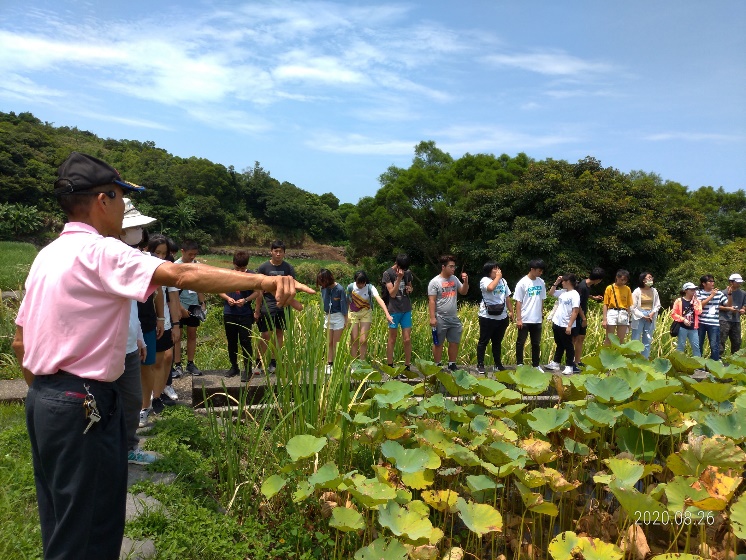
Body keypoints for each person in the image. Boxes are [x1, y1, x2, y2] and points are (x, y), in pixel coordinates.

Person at [12, 151, 313, 560]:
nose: (124, 209)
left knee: (63, 524)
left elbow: (20, 341)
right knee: (89, 531)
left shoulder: (47, 255)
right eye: (121, 198)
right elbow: (183, 275)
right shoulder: (101, 251)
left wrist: (48, 393)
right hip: (82, 402)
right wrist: (265, 279)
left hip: (46, 401)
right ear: (104, 199)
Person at [147, 235, 181, 409]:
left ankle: (157, 396)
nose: (160, 257)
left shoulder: (168, 270)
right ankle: (148, 397)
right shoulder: (143, 266)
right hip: (145, 321)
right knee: (149, 362)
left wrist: (176, 325)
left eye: (164, 253)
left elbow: (174, 298)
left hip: (165, 321)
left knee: (165, 358)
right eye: (156, 252)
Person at [254, 240, 296, 374]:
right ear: (271, 252)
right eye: (275, 251)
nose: (278, 254)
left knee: (279, 333)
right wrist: (257, 309)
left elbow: (293, 286)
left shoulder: (288, 268)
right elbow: (258, 290)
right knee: (266, 334)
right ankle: (258, 363)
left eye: (281, 251)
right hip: (268, 305)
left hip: (283, 306)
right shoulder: (263, 268)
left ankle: (274, 362)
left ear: (284, 253)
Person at [219, 250, 259, 382]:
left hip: (245, 314)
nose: (240, 271)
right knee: (232, 342)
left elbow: (257, 292)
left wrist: (246, 300)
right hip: (229, 313)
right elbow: (219, 290)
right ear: (233, 264)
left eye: (242, 268)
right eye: (237, 268)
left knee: (246, 342)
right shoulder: (227, 274)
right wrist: (227, 298)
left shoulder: (252, 275)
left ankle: (248, 369)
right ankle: (234, 366)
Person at [428, 255, 469, 371]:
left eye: (454, 266)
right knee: (438, 343)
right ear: (443, 267)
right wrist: (432, 318)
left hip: (454, 317)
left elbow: (463, 291)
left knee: (454, 341)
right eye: (450, 266)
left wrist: (465, 282)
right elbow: (431, 301)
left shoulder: (454, 279)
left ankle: (452, 363)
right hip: (440, 317)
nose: (453, 269)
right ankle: (437, 364)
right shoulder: (435, 282)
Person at [346, 270, 393, 362]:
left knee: (363, 339)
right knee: (354, 338)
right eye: (358, 283)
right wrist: (346, 315)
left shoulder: (370, 288)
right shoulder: (350, 287)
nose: (360, 285)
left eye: (362, 283)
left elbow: (379, 299)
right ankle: (353, 363)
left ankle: (362, 361)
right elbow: (347, 300)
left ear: (365, 281)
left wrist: (387, 314)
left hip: (366, 313)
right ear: (355, 281)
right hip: (353, 313)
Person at [173, 240, 205, 376]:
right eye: (190, 254)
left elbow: (199, 286)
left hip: (193, 305)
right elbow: (172, 291)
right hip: (178, 304)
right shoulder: (175, 266)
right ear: (182, 251)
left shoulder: (197, 266)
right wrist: (180, 308)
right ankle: (177, 364)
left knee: (192, 334)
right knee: (177, 336)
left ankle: (190, 364)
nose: (192, 257)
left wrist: (202, 303)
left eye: (195, 254)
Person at [476, 261, 512, 374]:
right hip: (487, 316)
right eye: (494, 269)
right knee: (483, 341)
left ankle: (498, 364)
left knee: (497, 342)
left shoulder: (503, 281)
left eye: (498, 269)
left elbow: (507, 297)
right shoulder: (484, 280)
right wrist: (498, 277)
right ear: (489, 271)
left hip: (502, 316)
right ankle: (480, 364)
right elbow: (491, 288)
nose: (498, 271)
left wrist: (511, 311)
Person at [513, 259, 547, 371]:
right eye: (539, 270)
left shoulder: (541, 282)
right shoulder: (522, 283)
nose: (540, 273)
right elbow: (518, 301)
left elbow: (542, 299)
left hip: (537, 319)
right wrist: (519, 318)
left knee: (536, 343)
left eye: (542, 271)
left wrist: (541, 314)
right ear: (532, 269)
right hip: (525, 318)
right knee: (521, 342)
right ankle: (519, 364)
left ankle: (536, 365)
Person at [383, 254, 414, 369]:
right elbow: (392, 293)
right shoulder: (387, 274)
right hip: (394, 310)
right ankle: (390, 364)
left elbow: (410, 286)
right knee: (392, 338)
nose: (403, 270)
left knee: (407, 339)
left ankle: (407, 364)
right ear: (397, 263)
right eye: (402, 268)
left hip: (406, 308)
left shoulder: (407, 273)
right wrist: (399, 279)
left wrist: (409, 289)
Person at [546, 274, 581, 375]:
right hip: (557, 322)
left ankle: (569, 365)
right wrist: (556, 282)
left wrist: (569, 325)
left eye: (563, 281)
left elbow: (575, 311)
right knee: (559, 344)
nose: (562, 283)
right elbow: (551, 293)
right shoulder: (563, 292)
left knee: (568, 345)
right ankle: (556, 362)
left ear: (569, 282)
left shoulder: (575, 294)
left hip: (566, 324)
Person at [317, 268, 348, 374]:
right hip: (328, 316)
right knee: (329, 342)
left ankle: (337, 363)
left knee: (336, 342)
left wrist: (346, 320)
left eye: (322, 280)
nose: (321, 283)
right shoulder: (323, 288)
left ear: (328, 278)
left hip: (338, 316)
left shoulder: (339, 289)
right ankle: (329, 363)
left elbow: (344, 305)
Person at [573, 268, 604, 367]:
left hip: (582, 315)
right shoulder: (582, 286)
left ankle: (577, 361)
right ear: (598, 279)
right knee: (574, 338)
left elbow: (583, 295)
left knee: (581, 337)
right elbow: (578, 304)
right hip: (578, 316)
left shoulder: (586, 285)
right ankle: (571, 361)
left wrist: (593, 297)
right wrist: (584, 318)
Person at [696, 274, 729, 361]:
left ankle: (714, 364)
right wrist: (711, 296)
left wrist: (730, 293)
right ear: (703, 283)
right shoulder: (698, 293)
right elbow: (700, 305)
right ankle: (699, 363)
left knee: (714, 345)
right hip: (701, 322)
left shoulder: (719, 293)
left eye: (713, 281)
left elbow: (728, 304)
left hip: (714, 323)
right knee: (699, 344)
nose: (712, 283)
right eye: (710, 281)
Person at [630, 272, 661, 359]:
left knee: (647, 338)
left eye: (651, 277)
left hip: (650, 315)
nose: (651, 279)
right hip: (639, 316)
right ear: (643, 280)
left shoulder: (654, 291)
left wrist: (652, 313)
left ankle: (645, 359)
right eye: (649, 278)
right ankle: (634, 359)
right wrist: (642, 316)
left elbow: (657, 305)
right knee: (636, 337)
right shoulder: (637, 291)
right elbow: (633, 307)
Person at [671, 282, 702, 356]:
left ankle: (698, 364)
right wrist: (683, 319)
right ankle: (679, 363)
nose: (693, 291)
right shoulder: (679, 301)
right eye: (691, 290)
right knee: (681, 346)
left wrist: (694, 302)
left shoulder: (697, 301)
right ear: (685, 291)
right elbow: (673, 314)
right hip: (682, 327)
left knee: (696, 346)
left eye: (694, 290)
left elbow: (699, 312)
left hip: (693, 327)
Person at [602, 269, 633, 345]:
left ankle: (618, 355)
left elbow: (628, 305)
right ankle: (606, 355)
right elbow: (605, 304)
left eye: (625, 280)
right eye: (622, 279)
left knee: (621, 339)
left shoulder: (627, 289)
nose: (623, 281)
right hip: (612, 311)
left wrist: (629, 320)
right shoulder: (610, 288)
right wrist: (604, 319)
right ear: (617, 277)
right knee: (609, 337)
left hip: (623, 312)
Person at [719, 273, 745, 357]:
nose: (739, 284)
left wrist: (743, 310)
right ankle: (718, 359)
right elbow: (717, 306)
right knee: (721, 340)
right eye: (737, 282)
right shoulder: (722, 292)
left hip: (736, 320)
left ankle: (734, 361)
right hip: (724, 319)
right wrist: (729, 309)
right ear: (731, 282)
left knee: (737, 342)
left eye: (740, 282)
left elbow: (744, 304)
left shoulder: (743, 293)